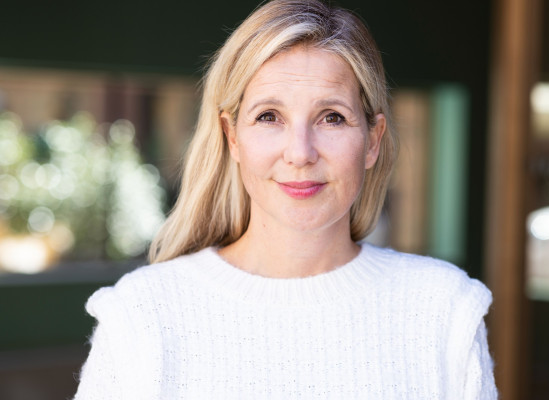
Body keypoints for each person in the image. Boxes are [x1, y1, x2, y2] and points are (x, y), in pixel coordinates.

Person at [74, 0, 497, 398]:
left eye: (332, 117)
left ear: (373, 141)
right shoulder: (141, 318)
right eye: (269, 116)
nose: (300, 153)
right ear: (232, 137)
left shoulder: (444, 312)